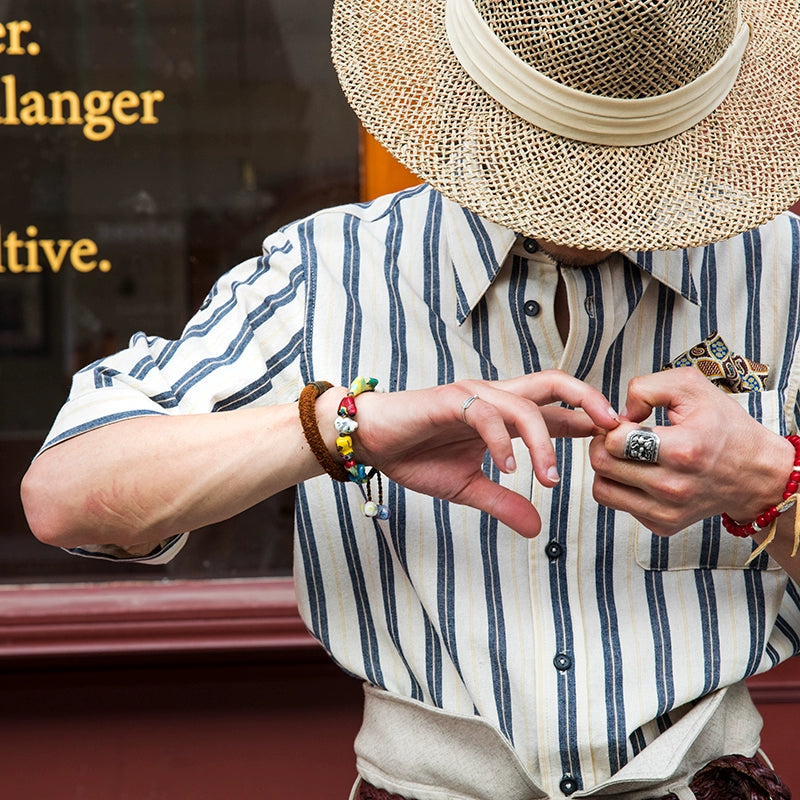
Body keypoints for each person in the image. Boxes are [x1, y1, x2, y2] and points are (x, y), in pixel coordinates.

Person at [19, 0, 800, 797]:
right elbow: (65, 496)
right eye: (563, 152)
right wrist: (344, 427)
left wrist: (775, 488)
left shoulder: (786, 273)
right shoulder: (329, 269)